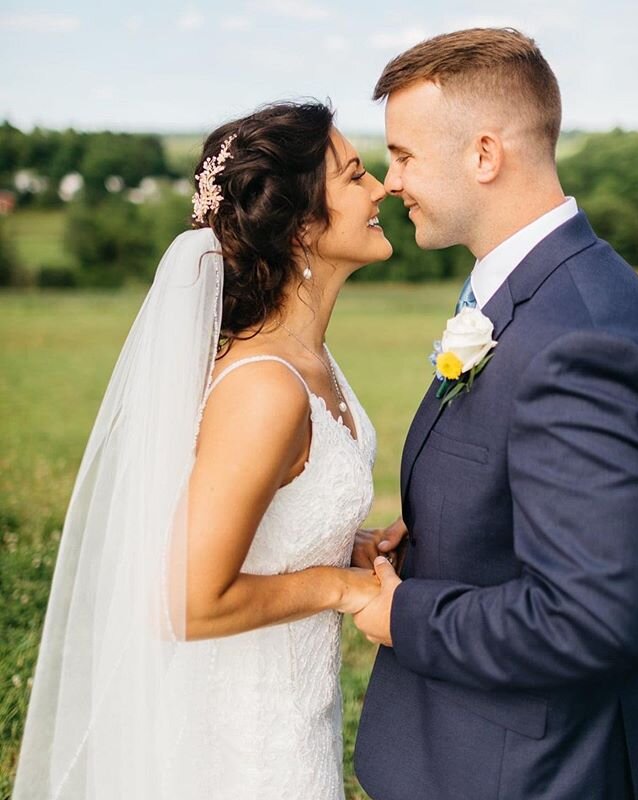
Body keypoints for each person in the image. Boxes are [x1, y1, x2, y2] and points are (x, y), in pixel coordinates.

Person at [11, 101, 392, 799]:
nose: (381, 189)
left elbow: (271, 523)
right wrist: (339, 586)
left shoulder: (311, 359)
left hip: (294, 721)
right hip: (242, 748)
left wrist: (348, 544)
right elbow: (185, 601)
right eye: (356, 175)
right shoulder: (266, 388)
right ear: (304, 224)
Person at [351, 28, 638, 800]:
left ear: (484, 154)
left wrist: (406, 615)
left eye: (404, 155)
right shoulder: (532, 294)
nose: (389, 181)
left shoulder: (575, 333)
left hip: (522, 777)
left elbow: (588, 616)